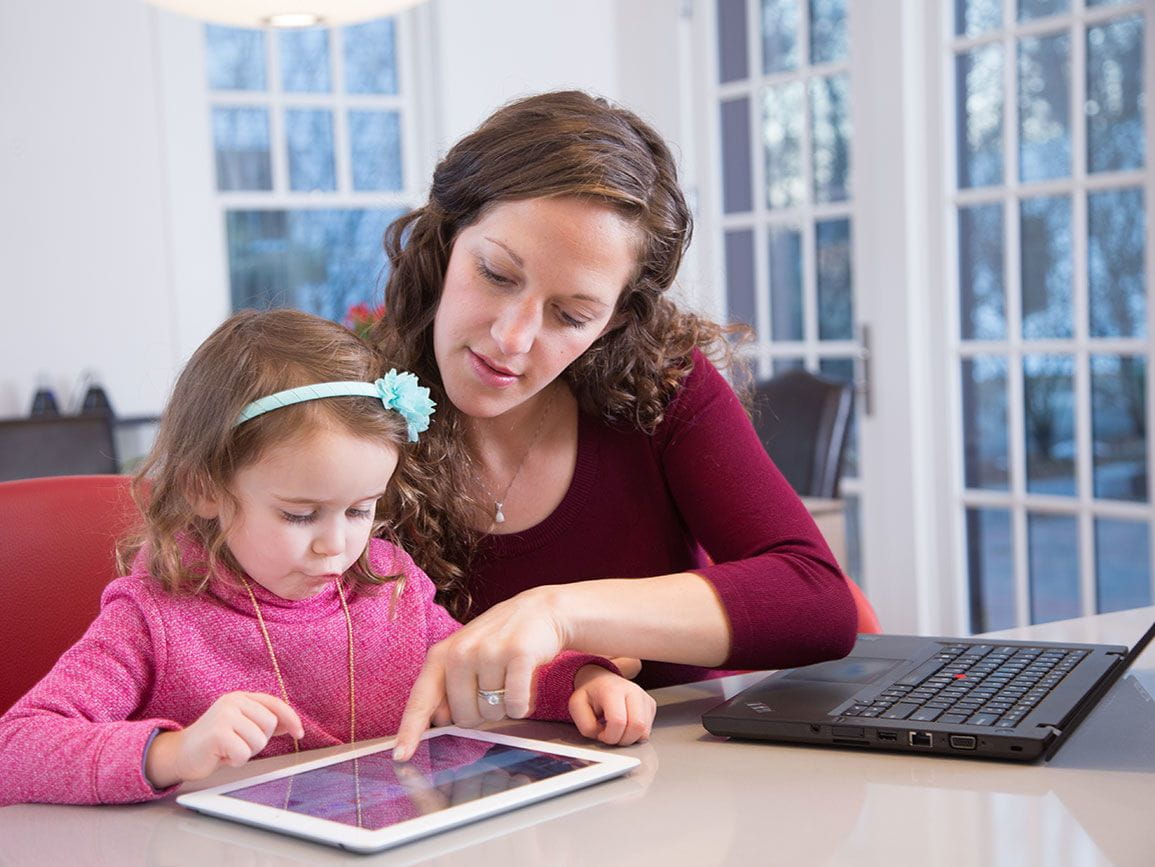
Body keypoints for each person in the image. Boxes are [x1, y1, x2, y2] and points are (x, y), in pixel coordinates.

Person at [0, 309, 654, 807]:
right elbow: (16, 748)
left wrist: (578, 684)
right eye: (298, 513)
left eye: (359, 507)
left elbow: (474, 677)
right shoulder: (154, 615)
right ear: (205, 487)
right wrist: (172, 751)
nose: (335, 544)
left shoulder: (391, 586)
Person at [377, 90, 858, 761]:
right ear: (447, 235)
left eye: (570, 315)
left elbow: (816, 601)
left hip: (684, 799)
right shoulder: (352, 414)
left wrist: (559, 613)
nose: (512, 339)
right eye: (495, 273)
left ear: (614, 323)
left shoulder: (664, 389)